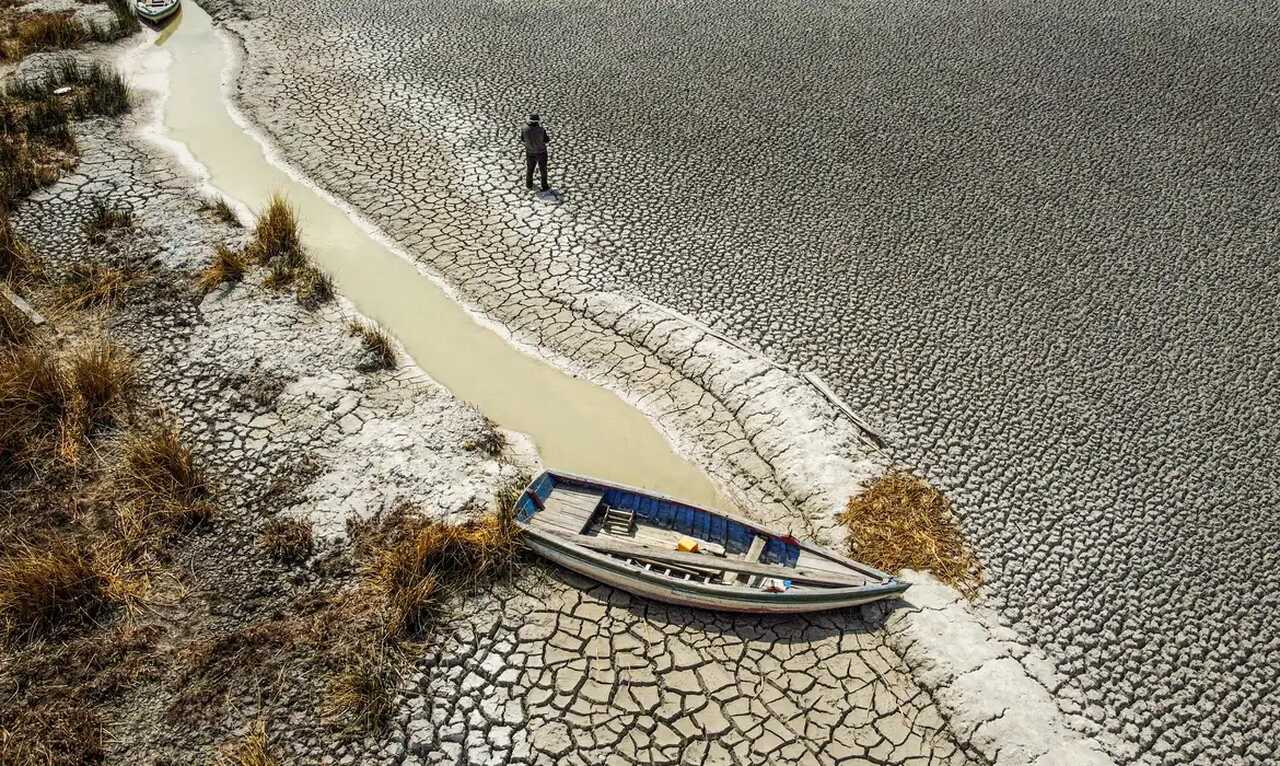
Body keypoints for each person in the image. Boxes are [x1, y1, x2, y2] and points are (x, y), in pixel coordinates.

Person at [519, 113, 551, 191]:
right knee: (543, 169)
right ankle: (544, 186)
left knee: (530, 169)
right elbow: (546, 140)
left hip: (530, 152)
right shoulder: (541, 130)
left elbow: (522, 139)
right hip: (541, 152)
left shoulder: (524, 128)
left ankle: (529, 184)